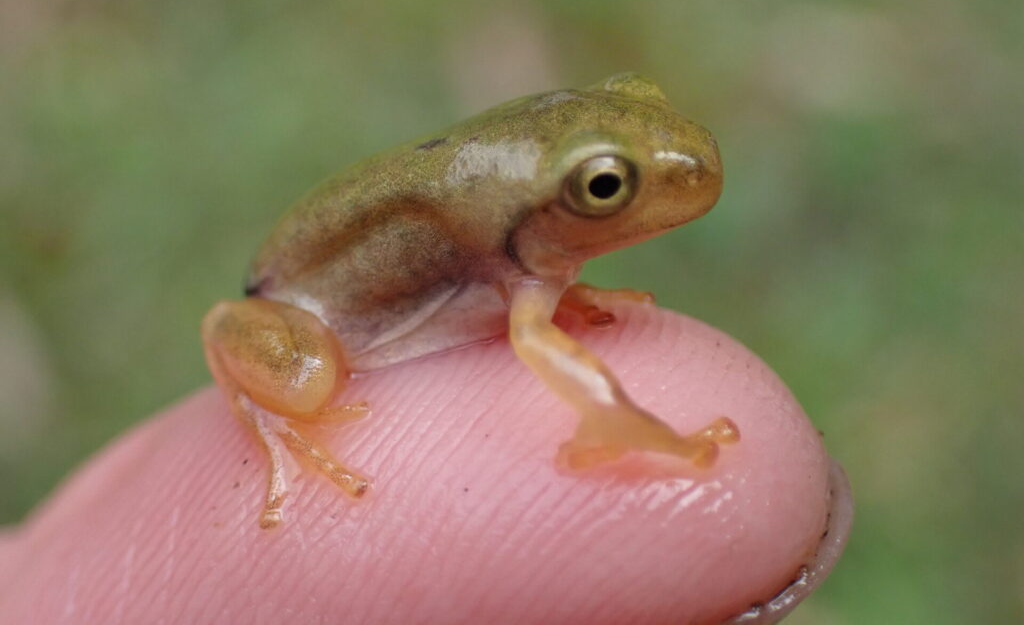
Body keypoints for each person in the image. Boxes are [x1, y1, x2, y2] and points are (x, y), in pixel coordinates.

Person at [0, 306, 850, 624]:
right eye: (601, 191)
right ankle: (269, 417)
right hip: (294, 313)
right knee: (308, 383)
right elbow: (534, 342)